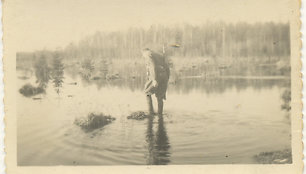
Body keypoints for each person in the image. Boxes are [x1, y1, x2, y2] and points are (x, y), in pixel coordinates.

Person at [142, 48, 170, 115]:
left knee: (147, 92)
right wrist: (167, 78)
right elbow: (167, 67)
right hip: (164, 76)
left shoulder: (148, 54)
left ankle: (150, 113)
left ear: (144, 52)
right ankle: (160, 115)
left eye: (142, 55)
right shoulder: (159, 55)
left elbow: (152, 66)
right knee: (160, 96)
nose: (143, 57)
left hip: (156, 76)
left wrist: (154, 79)